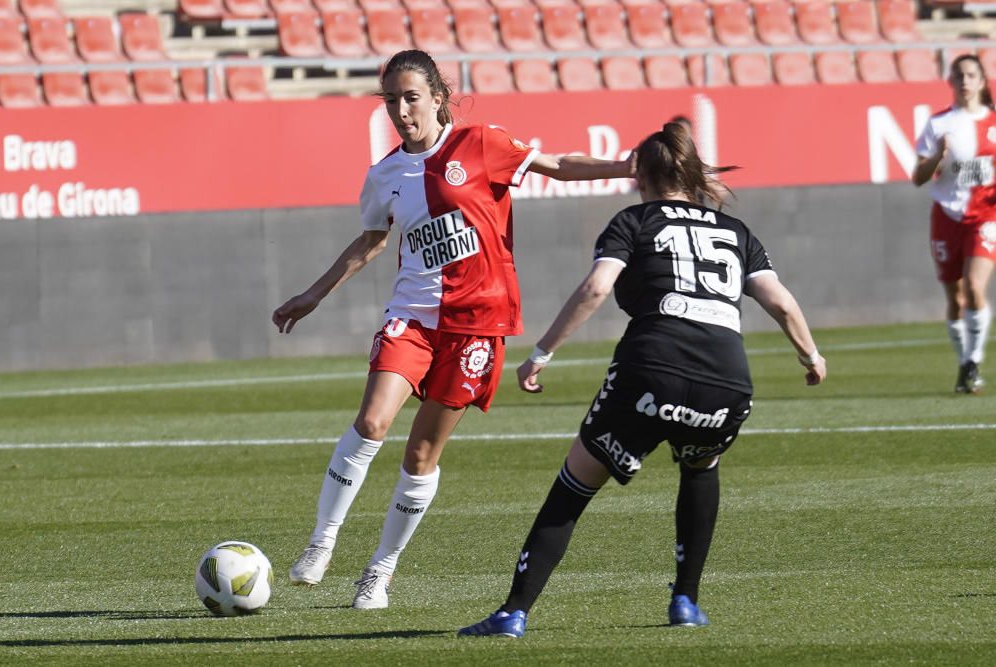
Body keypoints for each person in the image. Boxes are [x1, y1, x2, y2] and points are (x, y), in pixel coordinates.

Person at [271, 49, 634, 610]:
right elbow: (372, 241)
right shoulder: (385, 173)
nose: (400, 110)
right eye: (391, 100)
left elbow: (557, 165)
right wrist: (313, 294)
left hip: (477, 327)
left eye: (410, 97)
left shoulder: (482, 144)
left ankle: (380, 570)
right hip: (412, 317)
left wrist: (627, 168)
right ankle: (322, 540)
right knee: (371, 421)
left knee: (420, 456)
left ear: (438, 97)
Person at [458, 123, 827, 638]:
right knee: (701, 468)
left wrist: (541, 353)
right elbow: (781, 302)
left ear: (641, 176)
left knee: (573, 487)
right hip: (727, 380)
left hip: (651, 369)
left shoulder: (634, 220)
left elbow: (595, 289)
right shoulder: (736, 232)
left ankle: (513, 612)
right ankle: (685, 602)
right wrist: (810, 355)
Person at [913, 54, 996, 394]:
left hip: (986, 217)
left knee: (976, 288)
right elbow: (918, 177)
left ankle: (974, 360)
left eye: (971, 75)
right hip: (947, 216)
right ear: (951, 81)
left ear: (982, 81)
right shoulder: (938, 125)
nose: (964, 81)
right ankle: (964, 363)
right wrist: (936, 158)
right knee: (956, 296)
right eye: (958, 75)